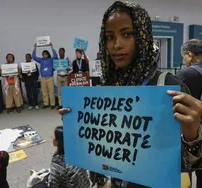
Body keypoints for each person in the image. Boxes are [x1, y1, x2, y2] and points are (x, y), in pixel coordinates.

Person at [59, 1, 202, 188]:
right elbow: (104, 149)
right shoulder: (105, 89)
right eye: (110, 37)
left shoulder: (168, 87)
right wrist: (78, 127)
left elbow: (189, 166)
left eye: (127, 34)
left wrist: (193, 135)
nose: (116, 45)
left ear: (142, 36)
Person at [177, 39, 202, 187]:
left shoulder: (187, 73)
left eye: (184, 57)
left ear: (190, 55)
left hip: (195, 136)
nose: (184, 60)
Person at [32, 43, 58, 109]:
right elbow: (34, 57)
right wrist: (35, 48)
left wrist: (52, 47)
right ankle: (46, 103)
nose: (44, 55)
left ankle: (52, 104)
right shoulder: (41, 60)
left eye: (46, 54)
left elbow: (55, 55)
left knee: (51, 92)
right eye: (43, 54)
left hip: (50, 78)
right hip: (43, 78)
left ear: (48, 54)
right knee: (44, 92)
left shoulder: (51, 59)